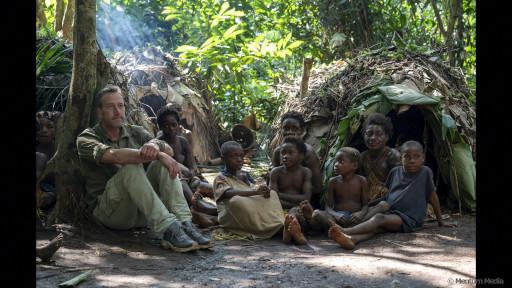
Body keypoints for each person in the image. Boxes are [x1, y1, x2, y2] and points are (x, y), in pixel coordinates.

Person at [76, 85, 211, 253]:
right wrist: (158, 154)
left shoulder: (135, 131)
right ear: (99, 112)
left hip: (142, 212)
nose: (118, 111)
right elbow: (115, 156)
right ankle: (168, 228)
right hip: (111, 214)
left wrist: (155, 147)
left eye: (120, 105)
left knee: (162, 164)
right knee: (131, 167)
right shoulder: (86, 138)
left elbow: (167, 149)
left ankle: (185, 223)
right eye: (110, 107)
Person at [326, 141, 455, 250]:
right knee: (378, 226)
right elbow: (389, 195)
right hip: (392, 211)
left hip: (409, 217)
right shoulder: (395, 171)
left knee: (379, 219)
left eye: (416, 156)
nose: (412, 161)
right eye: (407, 157)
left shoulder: (425, 172)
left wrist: (440, 221)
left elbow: (433, 197)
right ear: (401, 158)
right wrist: (371, 205)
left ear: (423, 158)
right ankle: (352, 239)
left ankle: (346, 231)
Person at [155, 105, 217, 227]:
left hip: (188, 180)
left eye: (174, 125)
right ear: (160, 127)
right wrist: (182, 177)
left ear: (178, 125)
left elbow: (192, 166)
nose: (171, 128)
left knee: (212, 188)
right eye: (166, 126)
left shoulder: (182, 142)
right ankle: (200, 209)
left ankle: (222, 204)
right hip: (172, 183)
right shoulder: (158, 143)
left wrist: (191, 175)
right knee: (181, 182)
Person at [213, 141, 284, 239]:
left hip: (248, 202)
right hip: (231, 213)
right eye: (234, 156)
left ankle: (278, 223)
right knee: (236, 201)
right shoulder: (220, 178)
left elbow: (253, 187)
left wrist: (263, 189)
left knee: (272, 194)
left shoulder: (244, 175)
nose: (239, 160)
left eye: (241, 156)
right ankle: (264, 228)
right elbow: (227, 193)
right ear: (223, 159)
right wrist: (254, 192)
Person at [311, 147, 368, 237]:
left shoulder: (361, 181)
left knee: (380, 209)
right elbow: (328, 207)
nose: (336, 165)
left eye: (341, 162)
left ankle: (339, 231)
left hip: (355, 218)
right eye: (336, 161)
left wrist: (361, 214)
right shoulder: (333, 182)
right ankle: (338, 229)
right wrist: (336, 214)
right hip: (338, 219)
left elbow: (365, 205)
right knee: (316, 213)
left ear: (354, 166)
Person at [272, 111, 323, 209]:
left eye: (294, 128)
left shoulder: (308, 153)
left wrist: (297, 189)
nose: (290, 132)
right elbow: (275, 181)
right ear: (281, 129)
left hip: (303, 203)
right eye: (286, 128)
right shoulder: (278, 152)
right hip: (280, 200)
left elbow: (317, 188)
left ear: (302, 130)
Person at [269, 137, 312, 245]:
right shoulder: (275, 172)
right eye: (283, 153)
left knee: (295, 212)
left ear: (301, 156)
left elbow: (306, 198)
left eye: (290, 153)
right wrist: (292, 201)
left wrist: (280, 195)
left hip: (298, 210)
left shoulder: (305, 172)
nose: (285, 156)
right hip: (278, 209)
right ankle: (292, 232)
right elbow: (272, 197)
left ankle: (289, 231)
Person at [359, 113, 401, 204]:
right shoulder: (362, 157)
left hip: (390, 200)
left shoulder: (393, 156)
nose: (373, 138)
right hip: (368, 200)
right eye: (369, 134)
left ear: (387, 137)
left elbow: (398, 188)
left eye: (379, 134)